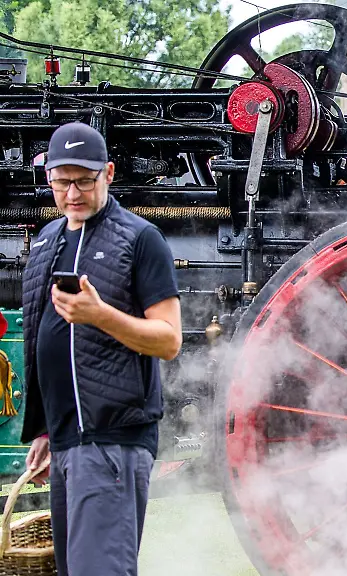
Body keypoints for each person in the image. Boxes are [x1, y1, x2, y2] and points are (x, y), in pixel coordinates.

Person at [19, 122, 182, 576]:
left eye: (84, 180)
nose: (73, 193)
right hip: (67, 443)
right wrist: (48, 430)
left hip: (112, 441)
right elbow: (44, 340)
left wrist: (99, 315)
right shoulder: (47, 242)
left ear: (108, 173)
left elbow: (169, 340)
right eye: (62, 181)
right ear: (48, 178)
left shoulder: (140, 238)